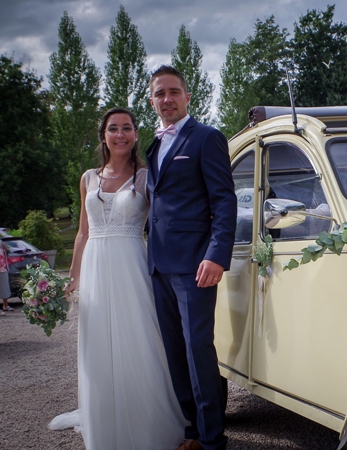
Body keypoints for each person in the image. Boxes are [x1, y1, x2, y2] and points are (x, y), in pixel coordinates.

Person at [49, 107, 187, 449]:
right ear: (103, 136)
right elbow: (82, 233)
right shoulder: (87, 178)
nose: (120, 134)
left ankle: (147, 420)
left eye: (127, 128)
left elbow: (165, 221)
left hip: (132, 265)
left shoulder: (146, 177)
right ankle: (105, 420)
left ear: (136, 134)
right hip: (96, 266)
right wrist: (73, 276)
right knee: (99, 344)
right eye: (113, 128)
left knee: (139, 338)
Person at [146, 65, 237, 450]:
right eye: (159, 93)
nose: (167, 99)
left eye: (173, 92)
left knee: (198, 349)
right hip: (158, 265)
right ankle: (193, 431)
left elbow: (224, 200)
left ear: (187, 96)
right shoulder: (153, 145)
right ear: (152, 100)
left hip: (195, 264)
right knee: (174, 350)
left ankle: (213, 439)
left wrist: (216, 255)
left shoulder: (206, 138)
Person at [0, 243, 10, 316]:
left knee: (5, 288)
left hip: (3, 268)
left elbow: (7, 253)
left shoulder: (1, 242)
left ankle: (5, 305)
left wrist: (6, 250)